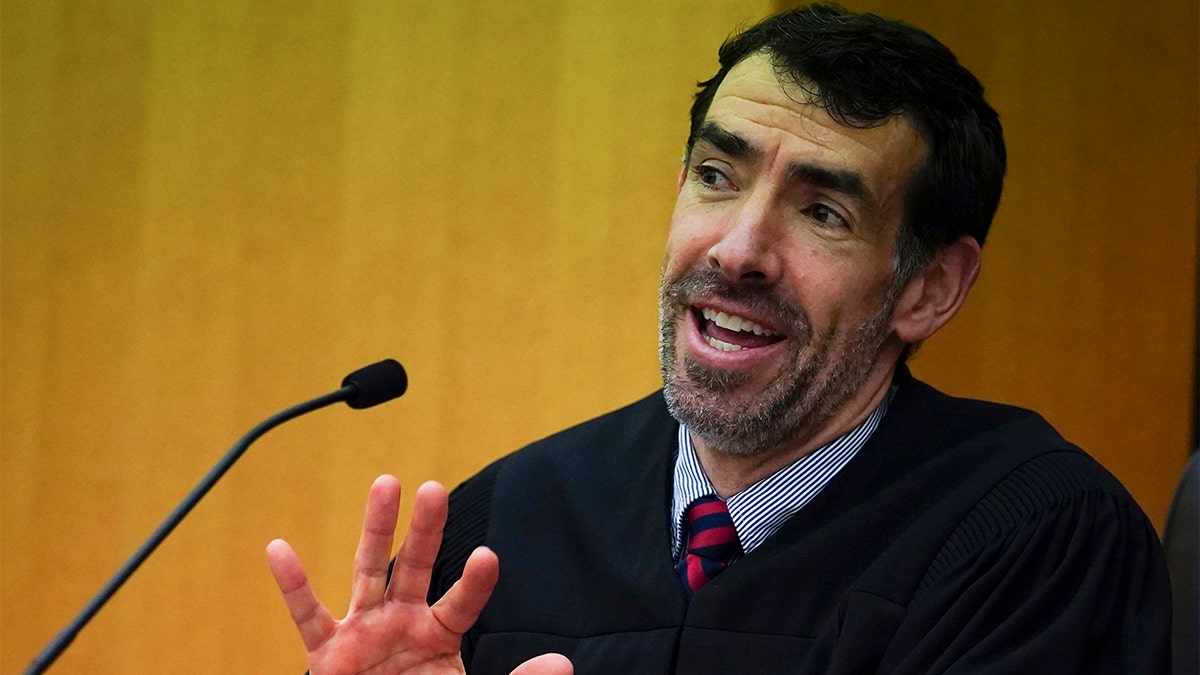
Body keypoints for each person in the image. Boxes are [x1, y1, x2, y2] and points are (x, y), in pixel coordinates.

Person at [266, 5, 1172, 674]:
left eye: (823, 212)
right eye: (716, 175)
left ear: (928, 288)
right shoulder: (503, 528)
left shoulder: (1031, 540)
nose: (738, 249)